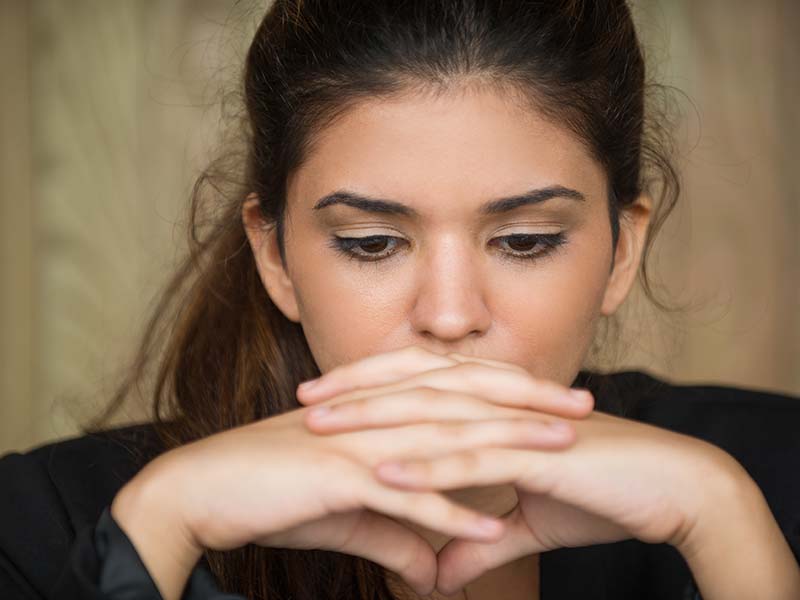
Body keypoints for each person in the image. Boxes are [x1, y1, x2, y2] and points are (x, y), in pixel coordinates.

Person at [1, 1, 798, 599]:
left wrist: (726, 528)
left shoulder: (773, 478)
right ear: (275, 254)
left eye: (524, 241)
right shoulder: (43, 523)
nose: (450, 318)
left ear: (622, 251)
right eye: (371, 244)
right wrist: (158, 533)